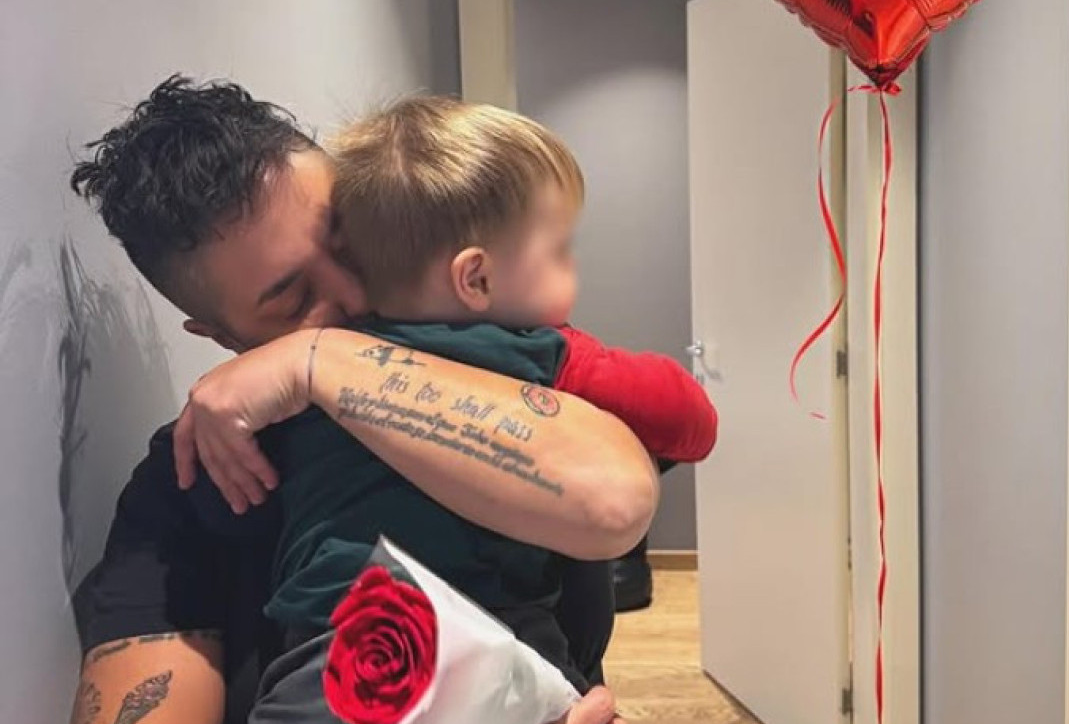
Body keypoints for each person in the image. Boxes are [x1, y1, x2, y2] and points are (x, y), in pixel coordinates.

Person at [67, 76, 659, 724]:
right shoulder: (185, 493)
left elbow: (614, 504)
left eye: (353, 244)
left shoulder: (501, 358)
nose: (354, 295)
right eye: (294, 300)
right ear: (221, 336)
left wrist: (314, 358)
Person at [197, 97, 716, 720]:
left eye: (345, 256)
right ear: (476, 279)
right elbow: (689, 420)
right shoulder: (542, 353)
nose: (343, 295)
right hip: (496, 632)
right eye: (560, 249)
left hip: (333, 637)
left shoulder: (286, 388)